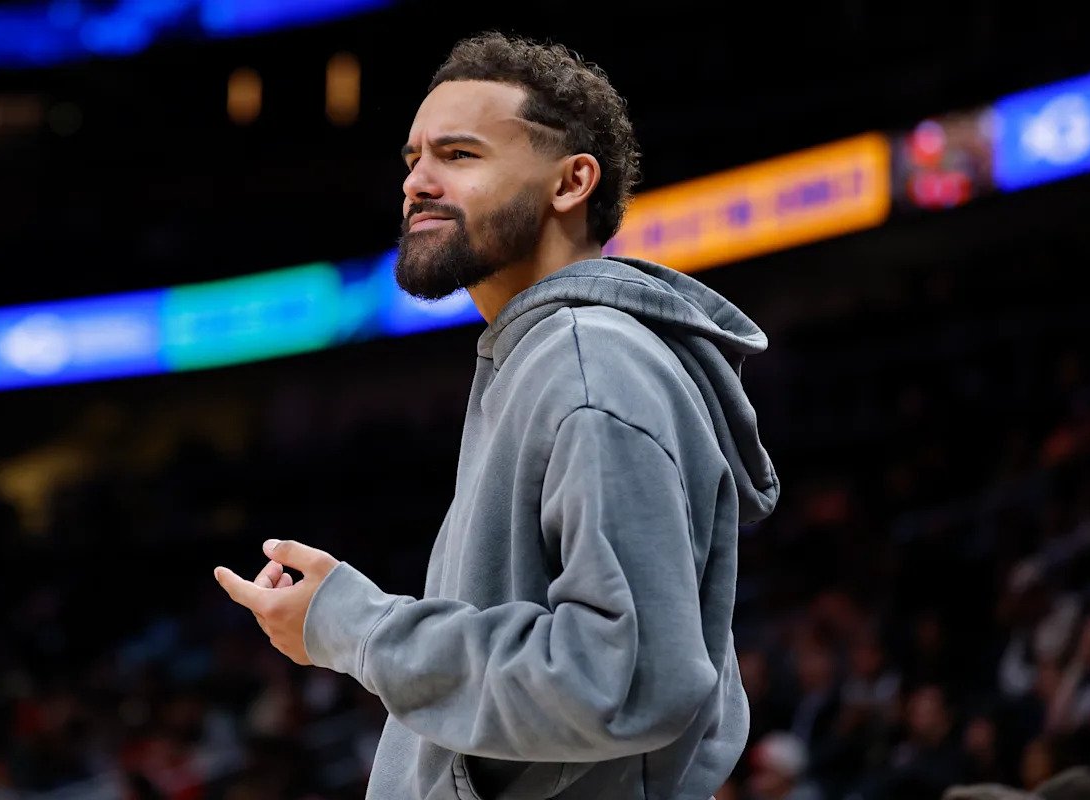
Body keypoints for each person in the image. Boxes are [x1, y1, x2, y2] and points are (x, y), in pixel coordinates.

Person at [214, 31, 780, 799]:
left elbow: (624, 677)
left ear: (572, 182)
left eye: (459, 155)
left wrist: (358, 625)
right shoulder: (536, 359)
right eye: (412, 159)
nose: (418, 182)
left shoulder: (588, 361)